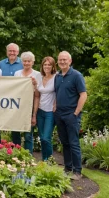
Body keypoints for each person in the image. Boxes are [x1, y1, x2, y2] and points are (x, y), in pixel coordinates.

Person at [54, 51, 87, 180]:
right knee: (65, 143)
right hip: (59, 114)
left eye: (65, 60)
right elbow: (57, 93)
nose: (62, 62)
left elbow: (83, 95)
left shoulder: (76, 75)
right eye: (60, 60)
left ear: (70, 61)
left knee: (74, 143)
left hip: (71, 115)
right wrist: (55, 106)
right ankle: (68, 168)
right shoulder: (57, 76)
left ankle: (77, 171)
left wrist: (76, 113)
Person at [14, 51, 42, 154]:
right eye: (24, 61)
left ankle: (28, 156)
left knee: (28, 135)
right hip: (17, 107)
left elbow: (37, 95)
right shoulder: (17, 73)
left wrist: (34, 114)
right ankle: (15, 155)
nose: (26, 63)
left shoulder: (37, 75)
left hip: (29, 107)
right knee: (15, 133)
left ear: (33, 62)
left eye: (28, 61)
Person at [0, 43, 24, 146]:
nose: (12, 53)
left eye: (14, 51)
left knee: (15, 125)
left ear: (18, 52)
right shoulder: (0, 64)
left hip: (17, 99)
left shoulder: (23, 63)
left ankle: (16, 147)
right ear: (6, 52)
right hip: (2, 99)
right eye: (10, 51)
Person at [35, 56, 57, 161]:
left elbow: (60, 92)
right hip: (40, 111)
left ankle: (50, 160)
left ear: (53, 66)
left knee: (46, 138)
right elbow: (37, 95)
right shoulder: (39, 77)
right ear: (42, 66)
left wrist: (56, 103)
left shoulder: (56, 77)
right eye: (45, 64)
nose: (47, 66)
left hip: (50, 112)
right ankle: (44, 160)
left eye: (49, 64)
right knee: (42, 139)